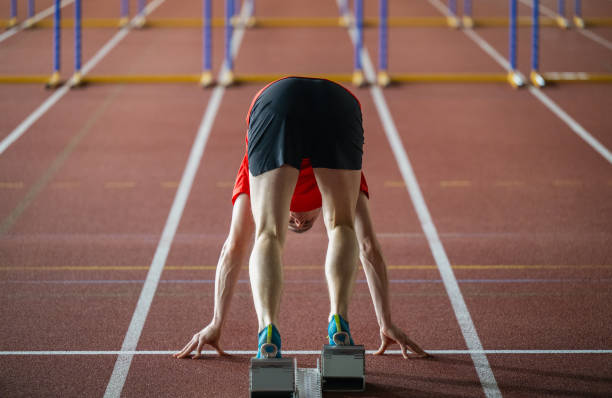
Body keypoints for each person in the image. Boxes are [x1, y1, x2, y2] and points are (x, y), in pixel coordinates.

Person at [174, 77, 428, 360]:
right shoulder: (347, 184)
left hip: (276, 101)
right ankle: (338, 323)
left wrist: (217, 322)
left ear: (318, 206)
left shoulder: (253, 174)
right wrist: (385, 321)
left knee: (268, 232)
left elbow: (233, 247)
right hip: (336, 103)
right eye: (302, 223)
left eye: (297, 223)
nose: (295, 220)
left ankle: (268, 330)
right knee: (340, 224)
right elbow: (367, 245)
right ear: (318, 208)